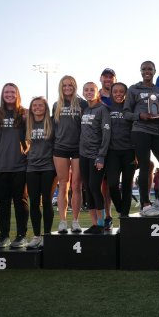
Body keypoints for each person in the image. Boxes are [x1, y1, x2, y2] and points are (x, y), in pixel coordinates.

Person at [124, 61, 159, 216]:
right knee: (145, 166)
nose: (147, 71)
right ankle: (145, 204)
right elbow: (126, 113)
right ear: (140, 71)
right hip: (140, 131)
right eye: (144, 69)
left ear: (154, 71)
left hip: (157, 132)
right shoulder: (134, 89)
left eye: (150, 69)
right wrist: (140, 115)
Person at [0, 83, 29, 248]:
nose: (9, 94)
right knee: (2, 204)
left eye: (12, 91)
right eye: (6, 92)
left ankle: (21, 235)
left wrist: (27, 121)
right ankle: (4, 236)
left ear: (17, 94)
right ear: (2, 94)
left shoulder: (24, 113)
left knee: (21, 202)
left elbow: (31, 139)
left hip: (20, 166)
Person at [53, 75, 87, 233]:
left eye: (70, 85)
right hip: (60, 148)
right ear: (61, 87)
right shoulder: (56, 105)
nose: (67, 88)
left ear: (74, 86)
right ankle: (62, 221)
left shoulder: (82, 104)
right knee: (63, 185)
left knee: (76, 185)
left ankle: (75, 221)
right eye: (64, 85)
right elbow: (53, 128)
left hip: (78, 148)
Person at [78, 82, 111, 233]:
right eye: (86, 90)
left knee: (94, 187)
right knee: (88, 189)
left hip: (96, 155)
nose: (89, 92)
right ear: (83, 93)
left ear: (98, 93)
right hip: (83, 155)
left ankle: (102, 222)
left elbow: (106, 134)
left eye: (92, 90)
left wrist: (101, 156)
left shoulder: (102, 109)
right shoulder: (84, 109)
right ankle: (94, 224)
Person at [25, 97, 56, 249]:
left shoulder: (51, 122)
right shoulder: (27, 123)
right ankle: (37, 236)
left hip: (48, 167)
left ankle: (47, 235)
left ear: (46, 107)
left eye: (40, 105)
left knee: (47, 202)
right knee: (34, 202)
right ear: (31, 108)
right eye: (34, 105)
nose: (37, 107)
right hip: (31, 168)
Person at [106, 82, 136, 220]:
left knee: (127, 185)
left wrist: (137, 154)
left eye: (121, 91)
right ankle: (119, 207)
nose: (118, 94)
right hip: (112, 152)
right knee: (112, 184)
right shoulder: (106, 108)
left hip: (129, 152)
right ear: (111, 93)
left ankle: (124, 215)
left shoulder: (131, 108)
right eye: (115, 91)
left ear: (126, 93)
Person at [98, 68, 116, 228]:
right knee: (101, 184)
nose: (108, 79)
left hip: (118, 145)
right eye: (106, 76)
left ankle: (120, 215)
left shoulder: (120, 96)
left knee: (113, 184)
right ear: (101, 78)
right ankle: (105, 217)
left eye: (111, 77)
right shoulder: (94, 98)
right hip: (99, 146)